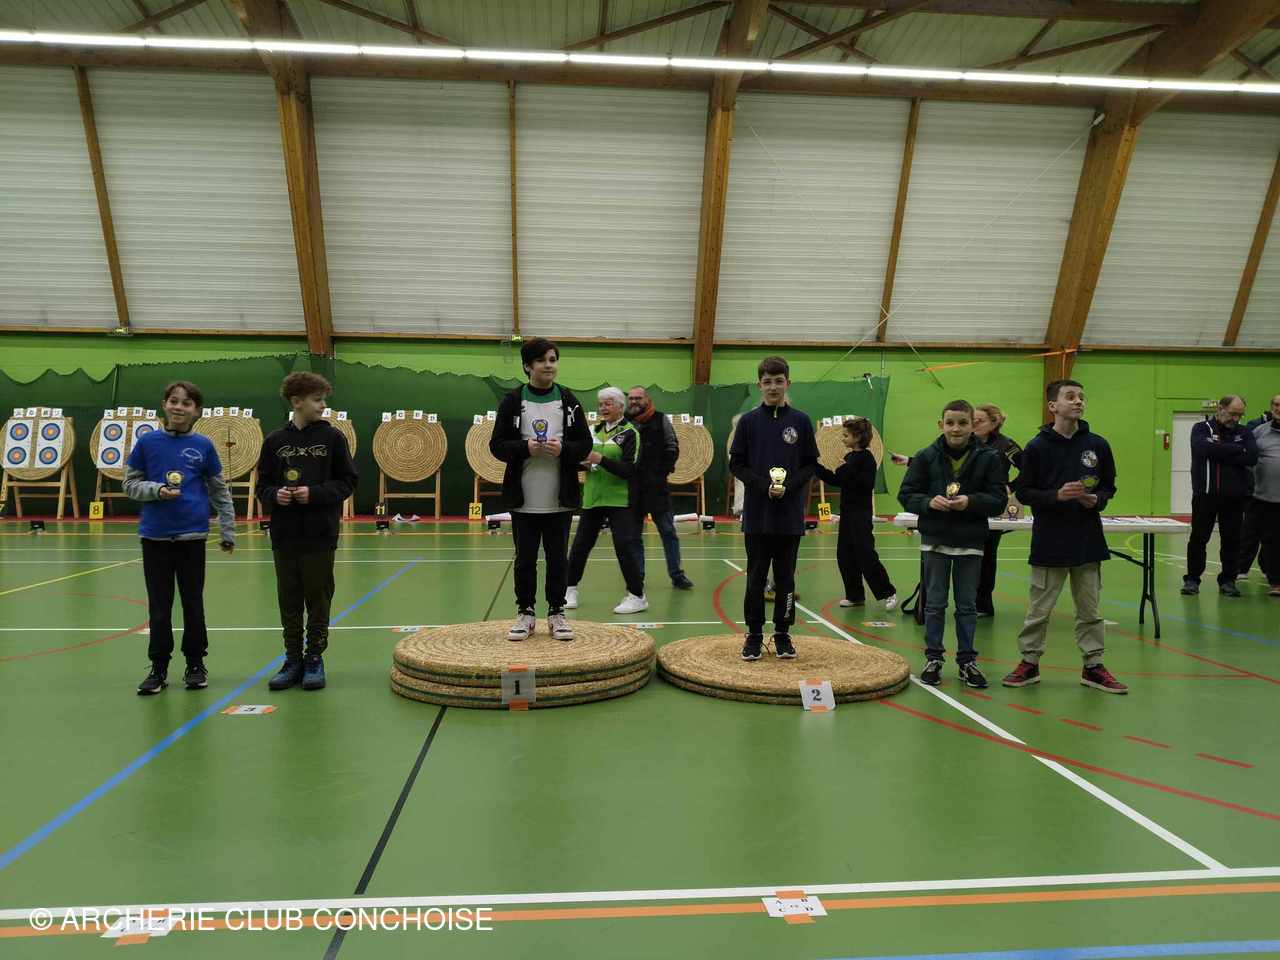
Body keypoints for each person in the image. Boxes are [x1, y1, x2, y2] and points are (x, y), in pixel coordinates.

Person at [1003, 379, 1127, 694]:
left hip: (1087, 540)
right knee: (1038, 610)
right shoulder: (1037, 447)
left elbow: (1109, 486)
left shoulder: (1098, 445)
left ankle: (1093, 666)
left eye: (1081, 397)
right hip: (1050, 540)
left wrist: (1096, 500)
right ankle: (1029, 662)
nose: (1078, 401)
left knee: (1090, 611)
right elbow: (1024, 491)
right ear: (1053, 406)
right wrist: (1056, 496)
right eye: (1070, 397)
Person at [124, 380, 235, 695]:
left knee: (193, 604)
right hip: (155, 538)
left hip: (192, 539)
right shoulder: (147, 443)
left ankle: (195, 665)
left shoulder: (204, 446)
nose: (179, 407)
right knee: (159, 608)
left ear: (196, 410)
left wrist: (227, 530)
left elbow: (219, 491)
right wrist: (157, 490)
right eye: (173, 401)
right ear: (164, 404)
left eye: (186, 403)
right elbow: (130, 484)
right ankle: (158, 668)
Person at [257, 372, 359, 692]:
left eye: (323, 399)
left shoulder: (334, 439)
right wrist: (275, 495)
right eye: (317, 400)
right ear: (296, 401)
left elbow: (348, 482)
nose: (323, 405)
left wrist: (313, 494)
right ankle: (292, 659)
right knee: (288, 599)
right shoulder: (274, 441)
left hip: (320, 535)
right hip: (284, 536)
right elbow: (262, 486)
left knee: (318, 598)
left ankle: (314, 657)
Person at [490, 337, 593, 641]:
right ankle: (525, 613)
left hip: (559, 499)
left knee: (558, 558)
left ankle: (557, 613)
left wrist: (564, 449)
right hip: (523, 498)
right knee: (525, 559)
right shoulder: (512, 401)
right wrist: (526, 448)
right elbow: (497, 445)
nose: (549, 366)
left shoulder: (569, 400)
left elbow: (585, 443)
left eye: (553, 360)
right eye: (542, 360)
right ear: (527, 366)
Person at [897, 401, 1006, 688]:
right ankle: (933, 659)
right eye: (950, 423)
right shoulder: (925, 456)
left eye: (962, 423)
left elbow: (998, 500)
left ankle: (967, 662)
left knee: (967, 606)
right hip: (936, 541)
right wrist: (927, 503)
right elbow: (906, 494)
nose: (956, 429)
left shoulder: (990, 458)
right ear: (941, 425)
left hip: (970, 541)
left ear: (973, 425)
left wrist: (971, 502)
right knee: (934, 605)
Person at [729, 356, 819, 661]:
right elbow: (736, 464)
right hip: (757, 514)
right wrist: (762, 486)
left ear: (788, 383)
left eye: (779, 381)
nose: (773, 387)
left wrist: (788, 487)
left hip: (789, 516)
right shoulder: (748, 422)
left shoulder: (802, 421)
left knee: (786, 579)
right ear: (759, 385)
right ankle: (754, 635)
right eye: (767, 382)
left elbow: (810, 465)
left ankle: (782, 633)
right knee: (755, 577)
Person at [566, 387, 647, 615]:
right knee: (580, 546)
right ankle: (569, 590)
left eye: (608, 403)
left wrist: (600, 459)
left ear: (621, 406)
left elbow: (629, 470)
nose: (603, 408)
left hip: (619, 500)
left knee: (624, 548)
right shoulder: (592, 431)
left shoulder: (630, 433)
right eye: (601, 404)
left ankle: (637, 596)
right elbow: (578, 461)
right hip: (593, 498)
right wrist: (583, 463)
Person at [816, 417, 897, 610]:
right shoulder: (850, 458)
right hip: (847, 514)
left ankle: (888, 592)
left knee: (865, 554)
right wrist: (815, 468)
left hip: (860, 515)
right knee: (845, 555)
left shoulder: (867, 459)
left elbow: (863, 484)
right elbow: (837, 480)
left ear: (858, 437)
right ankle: (855, 595)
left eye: (846, 435)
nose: (842, 439)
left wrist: (844, 469)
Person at [1181, 395, 1257, 598]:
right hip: (1205, 495)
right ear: (1220, 409)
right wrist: (1236, 449)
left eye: (1240, 415)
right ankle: (1192, 579)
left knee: (1232, 540)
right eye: (1232, 414)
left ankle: (1228, 580)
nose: (1236, 419)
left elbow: (1251, 456)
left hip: (1234, 497)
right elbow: (1202, 449)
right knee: (1199, 538)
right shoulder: (1201, 428)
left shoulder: (1244, 432)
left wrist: (1218, 452)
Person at [625, 386, 693, 591]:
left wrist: (662, 471)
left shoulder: (661, 419)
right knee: (633, 536)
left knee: (668, 532)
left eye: (638, 398)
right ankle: (637, 577)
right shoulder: (624, 422)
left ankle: (677, 575)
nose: (634, 401)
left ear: (647, 399)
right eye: (631, 398)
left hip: (657, 488)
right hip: (632, 489)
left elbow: (672, 446)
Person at [972, 403, 1023, 617]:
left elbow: (1029, 469)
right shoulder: (966, 442)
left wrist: (1010, 487)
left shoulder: (1006, 445)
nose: (974, 424)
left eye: (979, 420)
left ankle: (983, 605)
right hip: (968, 506)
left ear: (994, 423)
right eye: (972, 420)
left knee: (986, 556)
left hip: (993, 507)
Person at [1237, 411, 1280, 597]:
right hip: (1261, 496)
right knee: (1253, 534)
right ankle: (1242, 568)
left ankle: (1274, 578)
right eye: (1276, 405)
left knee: (1275, 541)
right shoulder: (1259, 430)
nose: (1279, 408)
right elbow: (1247, 456)